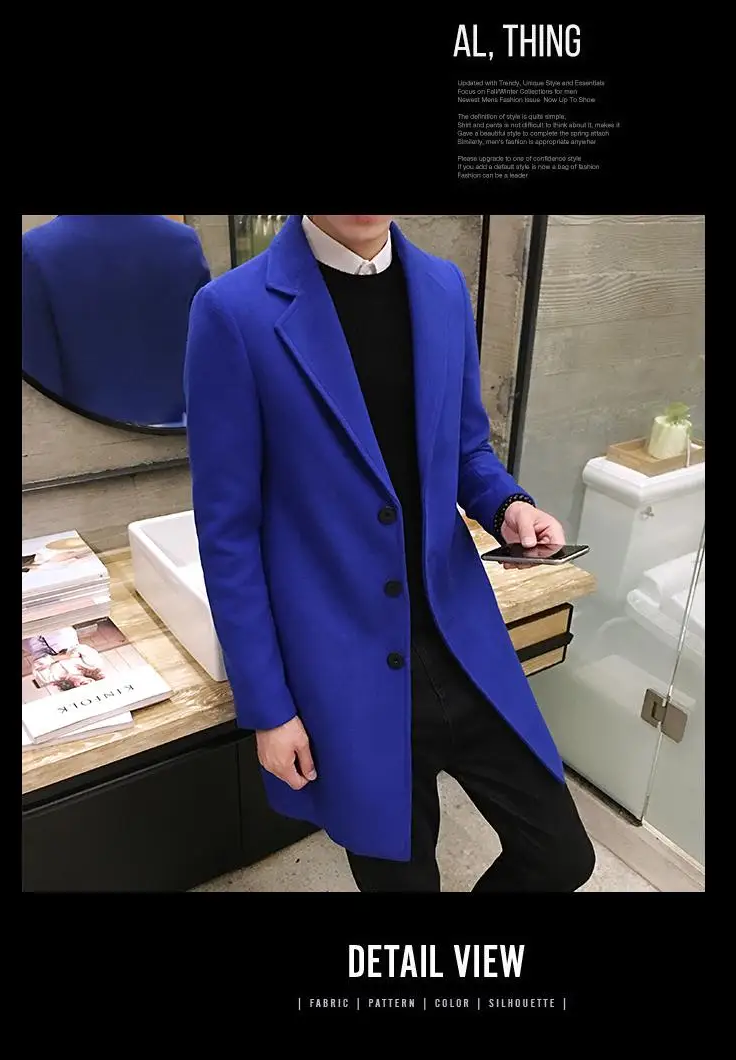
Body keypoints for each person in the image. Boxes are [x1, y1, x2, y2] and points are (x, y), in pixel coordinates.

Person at [184, 215, 596, 892]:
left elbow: (465, 447)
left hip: (460, 640)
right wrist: (269, 709)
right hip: (342, 668)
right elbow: (228, 533)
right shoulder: (232, 311)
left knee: (561, 855)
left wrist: (507, 505)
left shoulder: (441, 286)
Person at [22, 215, 211, 427]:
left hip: (88, 437)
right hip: (179, 433)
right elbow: (205, 354)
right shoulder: (184, 241)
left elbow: (39, 383)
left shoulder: (35, 251)